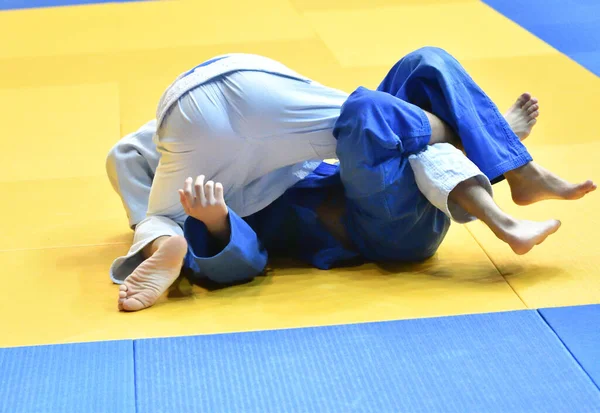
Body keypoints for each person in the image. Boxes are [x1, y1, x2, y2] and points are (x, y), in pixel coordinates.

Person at [107, 48, 595, 312]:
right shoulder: (210, 202)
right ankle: (500, 146)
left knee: (424, 63)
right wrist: (215, 224)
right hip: (386, 231)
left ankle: (505, 162)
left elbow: (133, 152)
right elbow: (245, 263)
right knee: (366, 115)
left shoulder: (227, 152)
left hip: (376, 174)